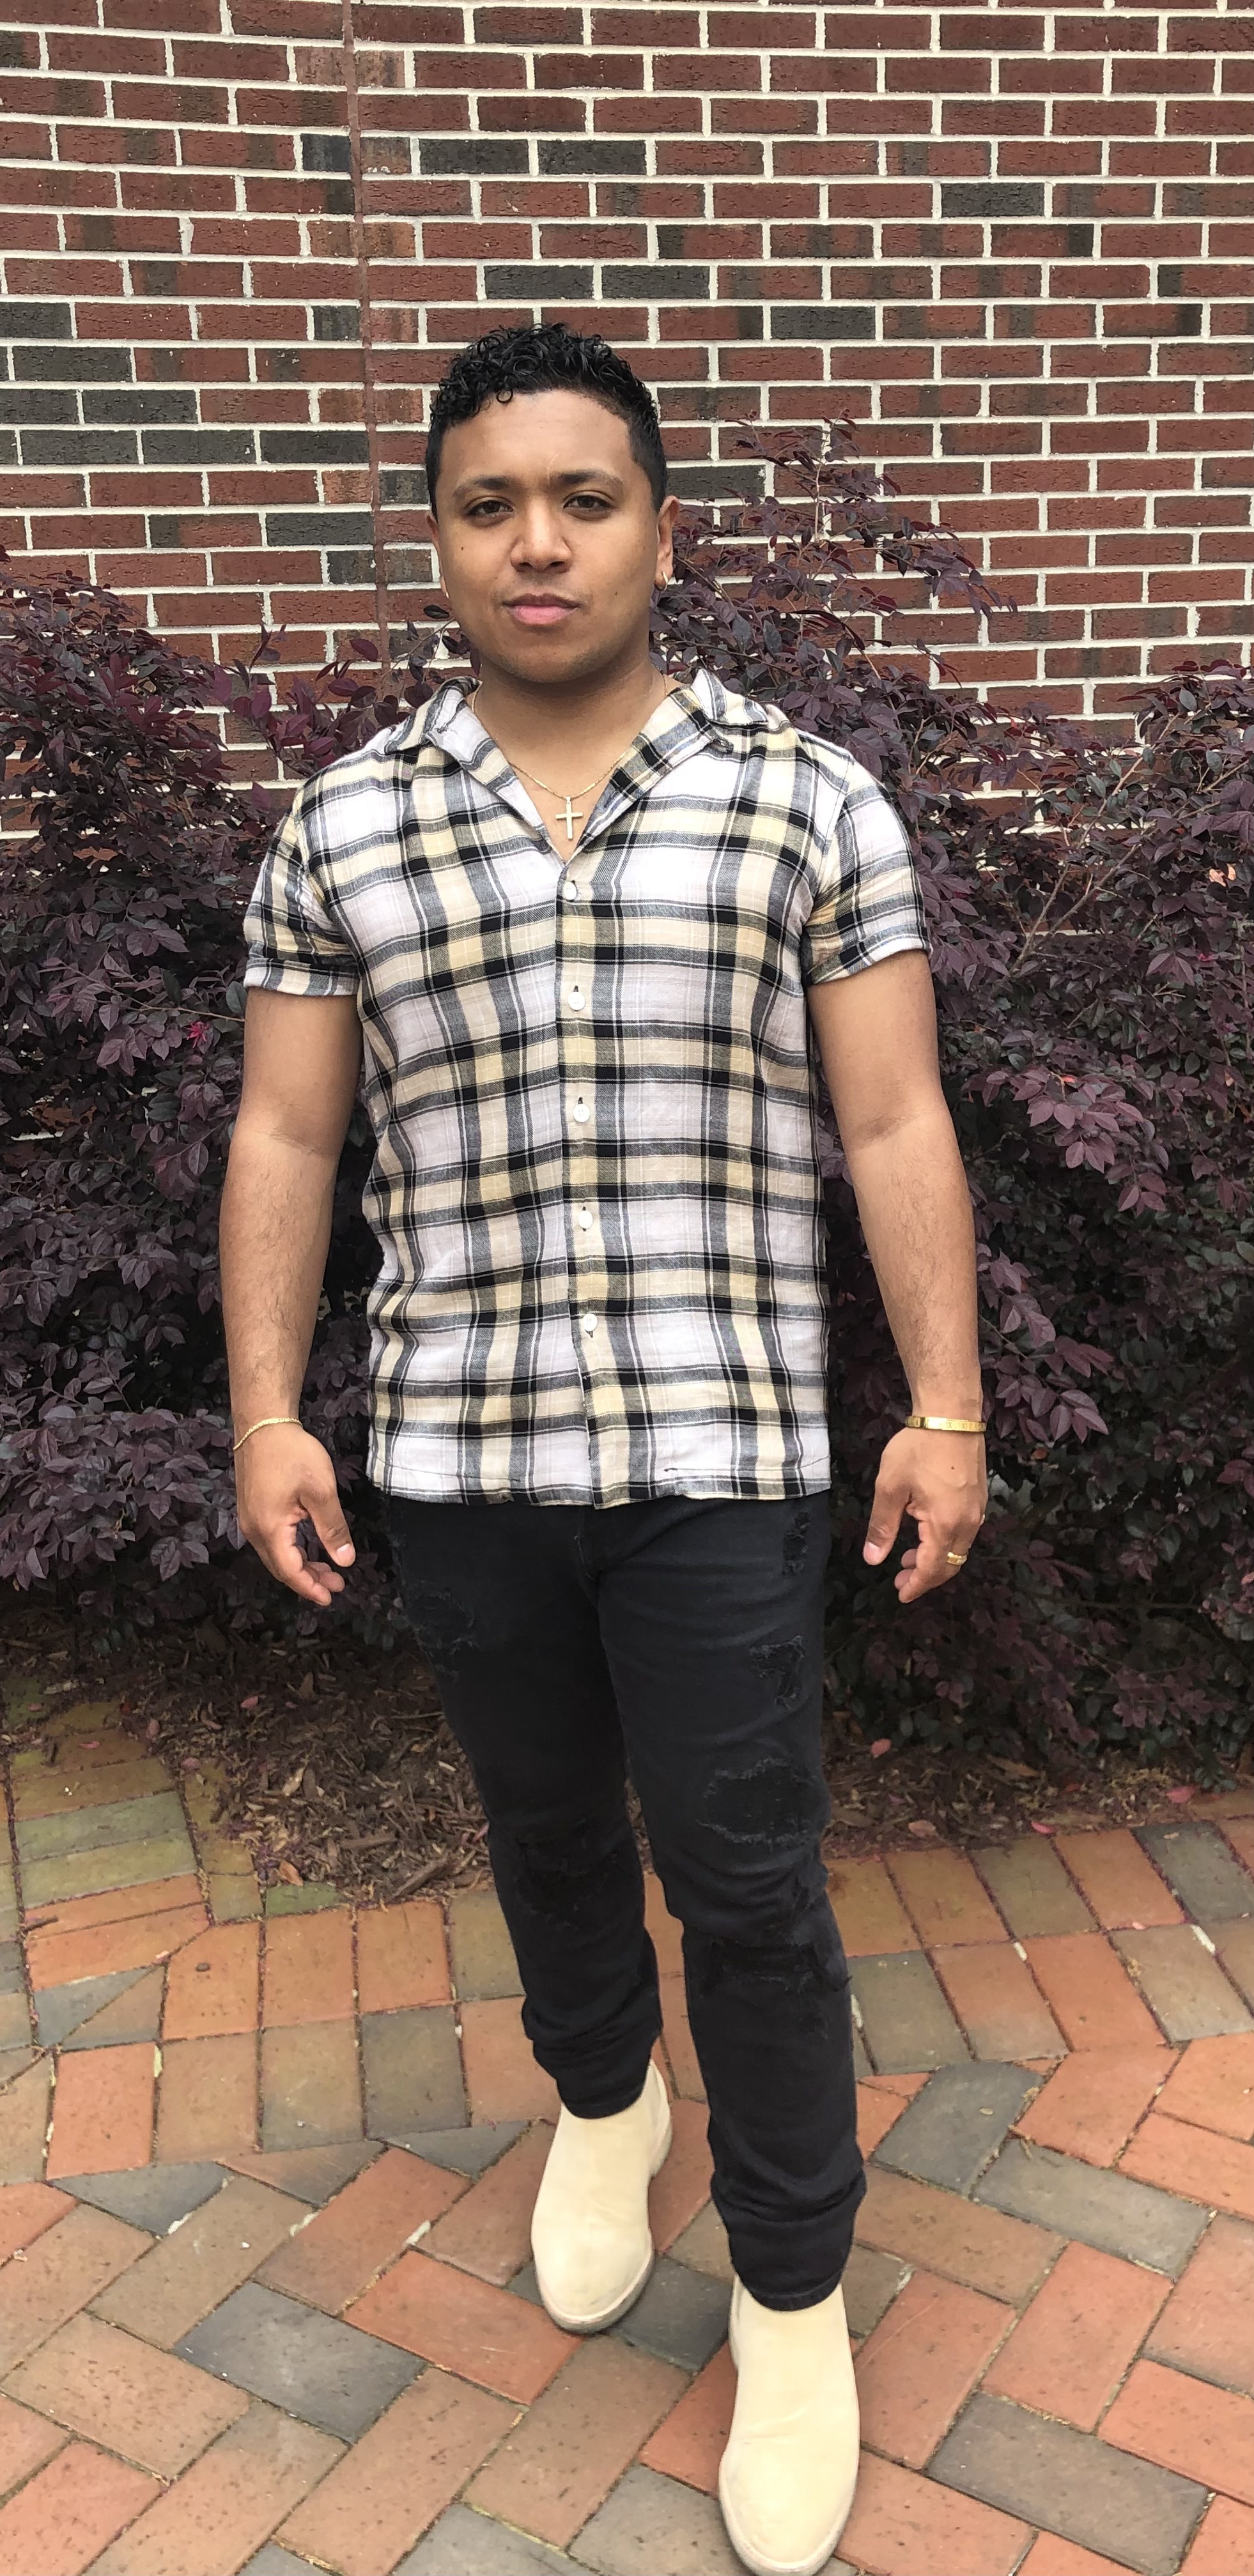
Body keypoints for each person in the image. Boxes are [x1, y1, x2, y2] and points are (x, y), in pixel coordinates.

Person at [221, 322, 986, 2576]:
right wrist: (266, 1411)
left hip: (717, 1454)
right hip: (456, 1454)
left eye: (582, 498)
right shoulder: (344, 823)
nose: (535, 543)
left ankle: (791, 2297)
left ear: (660, 528)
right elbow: (284, 1132)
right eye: (488, 506)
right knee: (546, 1830)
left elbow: (893, 1118)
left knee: (747, 1885)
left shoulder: (803, 799)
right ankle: (598, 2101)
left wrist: (943, 1404)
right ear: (438, 541)